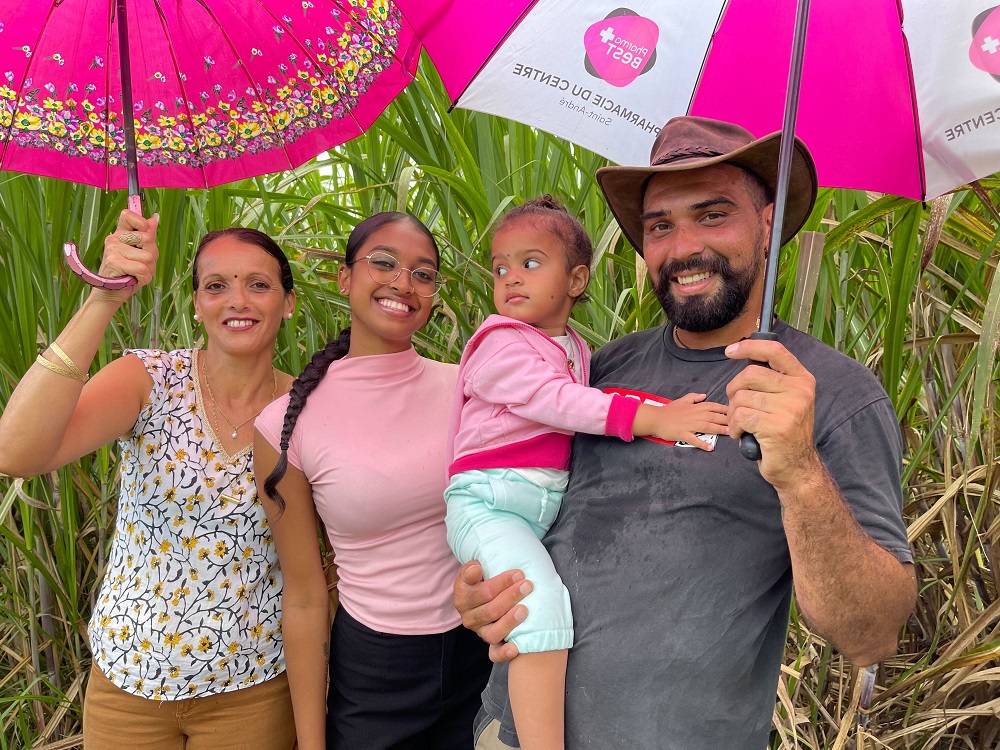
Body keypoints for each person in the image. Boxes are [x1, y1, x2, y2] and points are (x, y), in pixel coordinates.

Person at [456, 117, 917, 750]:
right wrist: (481, 587)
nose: (683, 248)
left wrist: (800, 472)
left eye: (712, 215)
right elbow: (523, 499)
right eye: (660, 226)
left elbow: (873, 635)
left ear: (768, 226)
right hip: (510, 730)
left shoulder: (833, 395)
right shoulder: (600, 368)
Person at [0, 214, 299, 749]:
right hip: (128, 687)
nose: (237, 300)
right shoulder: (149, 378)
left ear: (289, 302)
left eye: (258, 284)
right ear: (196, 303)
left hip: (253, 691)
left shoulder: (304, 408)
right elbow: (15, 452)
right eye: (216, 286)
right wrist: (104, 297)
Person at [444, 195, 728, 749]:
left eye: (530, 263)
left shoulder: (574, 348)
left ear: (576, 279)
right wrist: (653, 418)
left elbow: (585, 402)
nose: (510, 278)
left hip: (528, 505)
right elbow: (557, 402)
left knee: (531, 602)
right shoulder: (499, 344)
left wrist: (655, 412)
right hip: (490, 501)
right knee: (538, 608)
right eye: (500, 268)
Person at [254, 212, 493, 750]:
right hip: (376, 671)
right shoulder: (285, 425)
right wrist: (311, 743)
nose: (403, 283)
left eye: (423, 274)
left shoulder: (468, 387)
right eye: (383, 263)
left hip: (480, 652)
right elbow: (305, 597)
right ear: (345, 277)